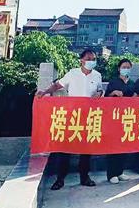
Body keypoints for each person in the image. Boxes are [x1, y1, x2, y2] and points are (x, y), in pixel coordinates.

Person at [36, 49, 103, 190]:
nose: (91, 61)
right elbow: (57, 85)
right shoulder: (72, 73)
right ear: (81, 60)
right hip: (72, 116)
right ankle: (60, 179)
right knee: (65, 148)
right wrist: (45, 92)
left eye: (93, 59)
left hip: (88, 116)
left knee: (86, 149)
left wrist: (99, 93)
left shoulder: (97, 75)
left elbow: (100, 90)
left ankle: (84, 177)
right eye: (88, 58)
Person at [105, 58, 136, 184]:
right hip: (114, 118)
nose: (126, 69)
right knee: (113, 146)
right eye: (124, 67)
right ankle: (111, 174)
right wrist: (113, 93)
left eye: (128, 67)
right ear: (119, 68)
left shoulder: (132, 83)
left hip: (127, 117)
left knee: (124, 145)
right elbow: (105, 98)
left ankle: (120, 172)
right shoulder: (113, 82)